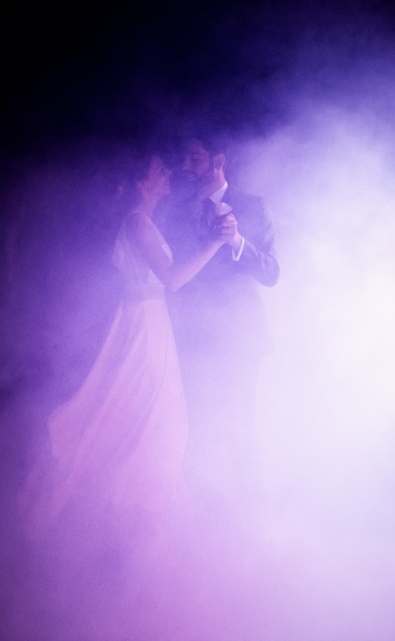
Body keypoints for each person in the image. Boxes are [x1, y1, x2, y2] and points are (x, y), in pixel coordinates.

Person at [20, 154, 227, 540]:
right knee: (148, 414)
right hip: (143, 326)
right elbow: (173, 279)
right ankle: (128, 521)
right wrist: (216, 244)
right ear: (140, 182)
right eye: (158, 169)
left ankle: (136, 522)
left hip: (147, 321)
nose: (166, 172)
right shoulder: (136, 221)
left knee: (145, 414)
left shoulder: (142, 222)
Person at [162, 136, 279, 496]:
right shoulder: (175, 210)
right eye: (183, 159)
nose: (185, 166)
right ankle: (199, 513)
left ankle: (252, 513)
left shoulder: (253, 206)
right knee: (191, 427)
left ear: (218, 160)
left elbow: (272, 273)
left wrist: (237, 243)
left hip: (239, 338)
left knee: (239, 426)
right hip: (191, 336)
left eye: (194, 158)